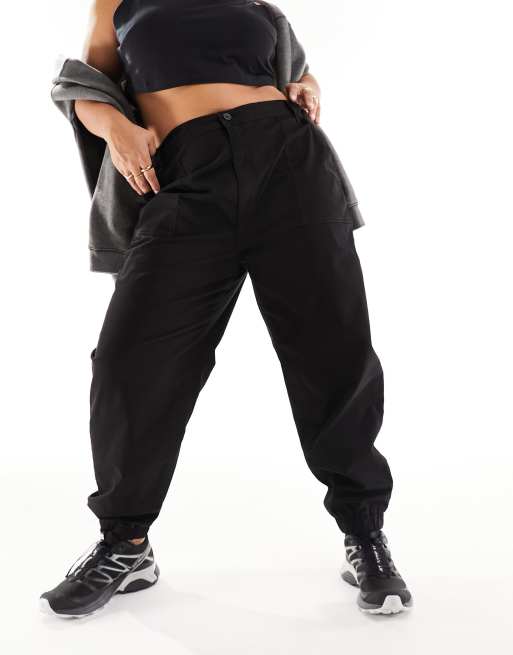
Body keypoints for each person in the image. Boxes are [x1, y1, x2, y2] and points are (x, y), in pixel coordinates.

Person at [40, 0, 412, 618]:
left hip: (289, 163)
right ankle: (125, 543)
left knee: (333, 353)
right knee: (131, 362)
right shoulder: (119, 3)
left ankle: (365, 533)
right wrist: (116, 129)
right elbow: (83, 87)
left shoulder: (254, 4)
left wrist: (309, 84)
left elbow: (293, 71)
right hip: (184, 178)